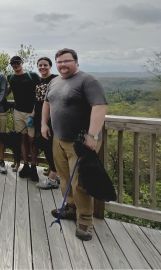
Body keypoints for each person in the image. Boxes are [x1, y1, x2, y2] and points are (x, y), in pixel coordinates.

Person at [42, 48, 107, 241]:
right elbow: (47, 103)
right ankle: (70, 207)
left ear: (76, 62)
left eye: (66, 61)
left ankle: (85, 221)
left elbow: (99, 107)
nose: (63, 65)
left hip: (80, 142)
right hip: (59, 139)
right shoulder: (54, 81)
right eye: (59, 62)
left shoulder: (88, 81)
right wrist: (44, 124)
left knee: (80, 183)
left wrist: (92, 135)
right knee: (64, 177)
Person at [7, 55, 41, 179]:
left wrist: (34, 114)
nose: (16, 65)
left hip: (31, 113)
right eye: (13, 64)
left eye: (17, 62)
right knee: (22, 139)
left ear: (22, 62)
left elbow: (40, 96)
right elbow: (8, 90)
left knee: (32, 140)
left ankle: (33, 168)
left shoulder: (33, 76)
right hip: (18, 112)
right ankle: (25, 166)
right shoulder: (11, 77)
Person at [34, 57, 59, 189]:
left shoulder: (56, 79)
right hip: (39, 118)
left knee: (49, 147)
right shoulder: (39, 80)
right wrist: (33, 115)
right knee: (45, 145)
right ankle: (56, 173)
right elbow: (37, 101)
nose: (42, 67)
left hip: (51, 119)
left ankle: (53, 178)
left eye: (45, 65)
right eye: (40, 65)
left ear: (50, 66)